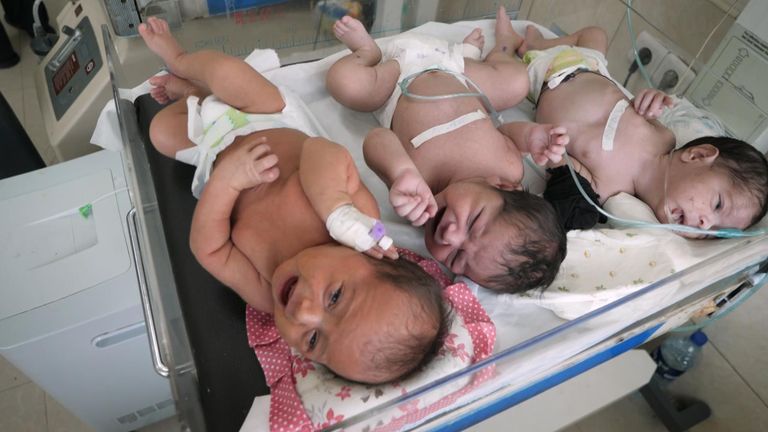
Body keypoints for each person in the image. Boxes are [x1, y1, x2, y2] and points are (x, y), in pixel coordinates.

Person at [139, 17, 449, 385]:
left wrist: (225, 182)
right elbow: (320, 151)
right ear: (376, 255)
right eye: (334, 298)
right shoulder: (363, 225)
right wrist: (337, 211)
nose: (303, 312)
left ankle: (195, 96)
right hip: (264, 115)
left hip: (213, 154)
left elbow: (210, 250)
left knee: (159, 134)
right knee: (225, 71)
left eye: (314, 340)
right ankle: (180, 58)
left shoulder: (265, 293)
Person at [326, 6, 567, 294]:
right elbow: (503, 134)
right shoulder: (508, 166)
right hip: (461, 75)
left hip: (396, 80)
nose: (451, 236)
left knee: (345, 83)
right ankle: (498, 49)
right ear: (503, 186)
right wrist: (530, 136)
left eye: (457, 257)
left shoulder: (421, 193)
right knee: (517, 81)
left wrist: (400, 172)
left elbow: (377, 139)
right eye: (474, 222)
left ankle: (368, 52)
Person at [516, 24, 768, 234]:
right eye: (717, 204)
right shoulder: (664, 136)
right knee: (597, 34)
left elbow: (564, 166)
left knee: (505, 82)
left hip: (542, 82)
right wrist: (650, 99)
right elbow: (635, 106)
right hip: (589, 68)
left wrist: (555, 154)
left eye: (714, 232)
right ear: (697, 155)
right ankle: (541, 43)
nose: (705, 224)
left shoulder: (611, 192)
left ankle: (509, 49)